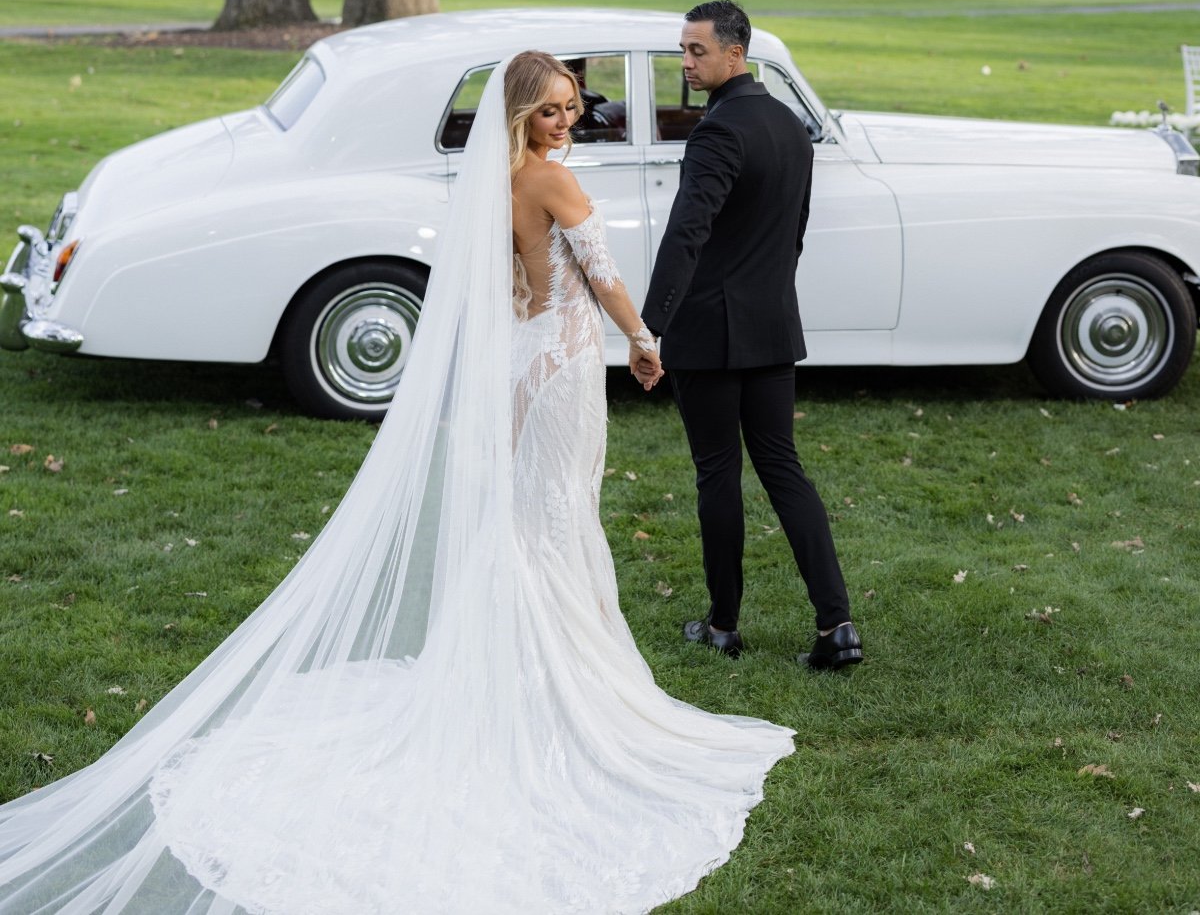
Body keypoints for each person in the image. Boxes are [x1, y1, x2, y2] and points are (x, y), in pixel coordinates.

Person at [0, 50, 793, 915]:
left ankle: (508, 667)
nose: (569, 122)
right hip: (563, 365)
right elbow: (601, 279)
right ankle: (557, 689)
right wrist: (645, 342)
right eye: (553, 111)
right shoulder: (552, 184)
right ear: (522, 116)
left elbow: (509, 286)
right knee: (557, 519)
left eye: (573, 108)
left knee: (532, 520)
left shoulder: (489, 182)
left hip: (523, 356)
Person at [640, 0, 863, 671]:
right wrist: (764, 294)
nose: (686, 62)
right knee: (783, 469)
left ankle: (724, 625)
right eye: (683, 49)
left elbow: (688, 232)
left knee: (718, 474)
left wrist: (650, 326)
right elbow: (792, 232)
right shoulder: (792, 126)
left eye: (697, 51)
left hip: (708, 329)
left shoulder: (716, 133)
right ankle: (837, 627)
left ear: (736, 53)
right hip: (770, 325)